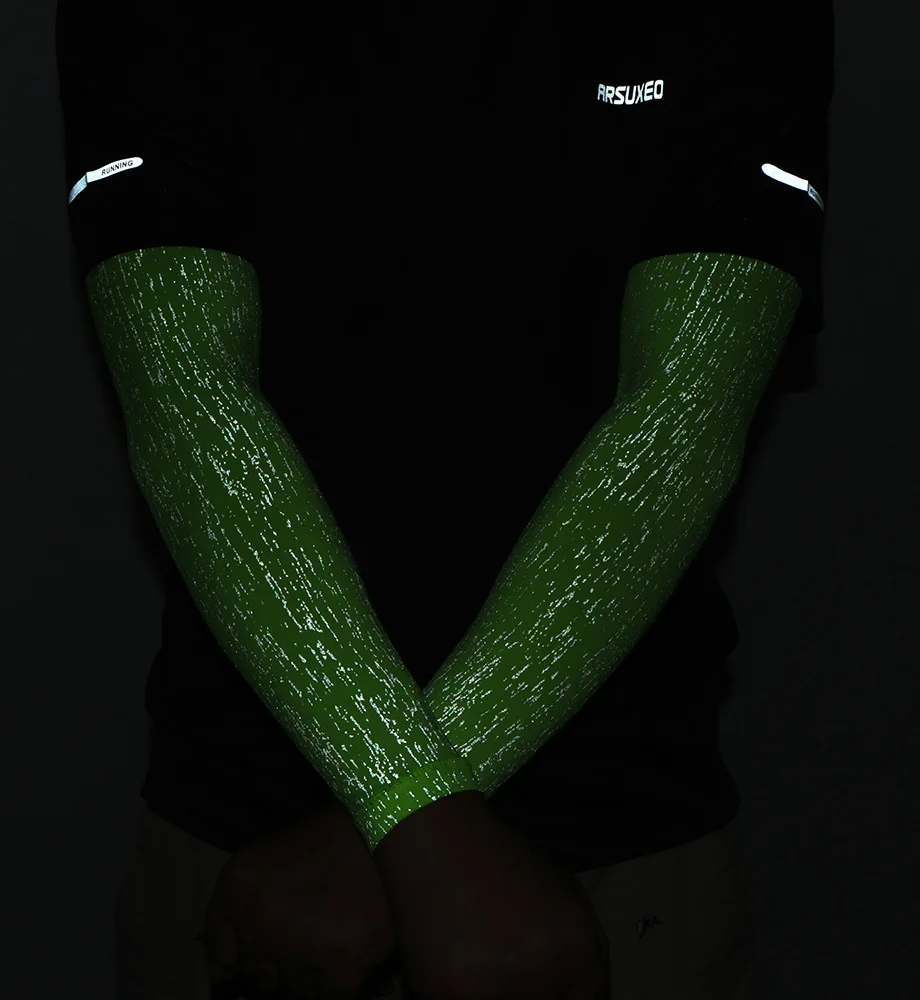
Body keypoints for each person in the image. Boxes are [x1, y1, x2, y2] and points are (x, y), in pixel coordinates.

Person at [55, 2, 834, 997]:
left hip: (608, 855)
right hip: (255, 875)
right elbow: (189, 407)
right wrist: (416, 812)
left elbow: (678, 423)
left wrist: (402, 813)